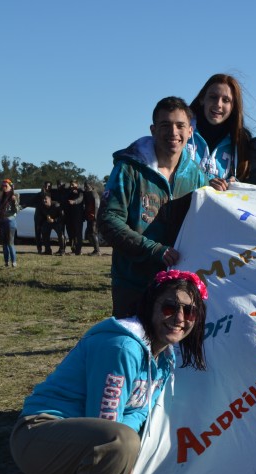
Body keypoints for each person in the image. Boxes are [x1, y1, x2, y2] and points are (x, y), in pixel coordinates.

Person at [10, 270, 208, 474]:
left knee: (140, 444)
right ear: (150, 306)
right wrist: (121, 465)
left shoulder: (163, 357)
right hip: (37, 436)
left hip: (76, 441)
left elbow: (139, 414)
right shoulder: (123, 346)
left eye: (189, 310)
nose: (179, 317)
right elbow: (106, 423)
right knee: (122, 443)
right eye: (169, 307)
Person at [99, 96, 210, 318]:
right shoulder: (129, 169)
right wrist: (153, 249)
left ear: (190, 132)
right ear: (152, 129)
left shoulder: (197, 177)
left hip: (178, 285)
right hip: (133, 282)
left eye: (180, 126)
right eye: (165, 125)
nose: (173, 132)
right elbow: (108, 219)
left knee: (171, 350)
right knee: (133, 343)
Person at [187, 73, 251, 182]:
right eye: (213, 97)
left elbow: (246, 181)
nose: (218, 104)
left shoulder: (241, 140)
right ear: (202, 99)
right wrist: (206, 185)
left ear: (233, 106)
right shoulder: (182, 130)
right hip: (183, 199)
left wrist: (234, 184)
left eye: (226, 100)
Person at [0, 178, 20, 267]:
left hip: (10, 221)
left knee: (10, 243)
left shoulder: (15, 195)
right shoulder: (1, 196)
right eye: (3, 185)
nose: (3, 187)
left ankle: (14, 262)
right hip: (2, 221)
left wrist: (14, 201)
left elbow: (17, 210)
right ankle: (6, 262)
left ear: (10, 187)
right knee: (4, 244)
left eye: (5, 185)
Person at [66, 181, 85, 255]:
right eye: (71, 185)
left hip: (78, 216)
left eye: (73, 185)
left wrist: (74, 202)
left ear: (77, 184)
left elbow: (80, 199)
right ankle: (73, 248)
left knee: (78, 233)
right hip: (70, 215)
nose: (71, 186)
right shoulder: (70, 192)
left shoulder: (80, 191)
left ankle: (78, 250)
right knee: (71, 233)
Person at [82, 182, 101, 256]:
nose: (85, 188)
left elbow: (97, 204)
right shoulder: (87, 193)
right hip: (90, 216)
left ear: (91, 186)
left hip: (93, 216)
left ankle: (97, 251)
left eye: (87, 186)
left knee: (93, 233)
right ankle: (96, 250)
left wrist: (95, 215)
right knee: (90, 233)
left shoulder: (93, 193)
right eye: (85, 186)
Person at [34, 181, 52, 254]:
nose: (47, 188)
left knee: (46, 234)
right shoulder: (38, 195)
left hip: (47, 216)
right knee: (38, 233)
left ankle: (47, 249)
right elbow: (32, 202)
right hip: (38, 216)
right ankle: (39, 249)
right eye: (46, 186)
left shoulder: (51, 194)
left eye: (49, 186)